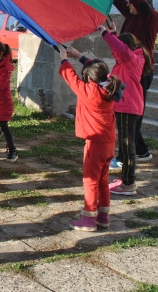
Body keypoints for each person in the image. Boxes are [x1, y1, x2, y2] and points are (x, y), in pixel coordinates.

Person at [58, 47, 124, 231]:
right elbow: (98, 70)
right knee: (102, 180)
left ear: (88, 79)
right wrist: (79, 56)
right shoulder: (109, 87)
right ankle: (103, 216)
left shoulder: (89, 92)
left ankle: (88, 218)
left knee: (90, 180)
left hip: (95, 143)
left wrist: (64, 59)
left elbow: (70, 77)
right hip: (109, 143)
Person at [112, 0, 158, 163]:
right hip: (128, 71)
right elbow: (119, 1)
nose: (128, 5)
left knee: (131, 115)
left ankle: (125, 156)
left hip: (141, 73)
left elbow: (139, 3)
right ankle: (140, 150)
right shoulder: (132, 15)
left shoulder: (151, 19)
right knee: (129, 114)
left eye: (131, 2)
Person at [99, 24, 150, 196]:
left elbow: (121, 49)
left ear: (127, 48)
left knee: (128, 148)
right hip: (123, 107)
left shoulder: (133, 60)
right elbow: (118, 50)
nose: (116, 54)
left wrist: (105, 33)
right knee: (123, 147)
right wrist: (113, 33)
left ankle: (129, 183)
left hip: (129, 108)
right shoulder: (124, 61)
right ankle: (125, 178)